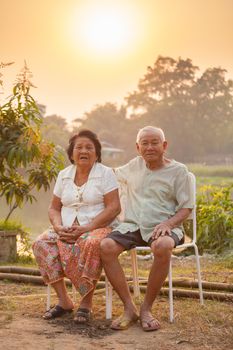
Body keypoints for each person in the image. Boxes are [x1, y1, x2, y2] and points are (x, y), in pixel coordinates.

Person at [100, 126, 194, 331]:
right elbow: (107, 175)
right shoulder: (132, 166)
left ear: (164, 145)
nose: (149, 147)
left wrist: (168, 223)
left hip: (164, 226)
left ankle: (146, 309)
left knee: (162, 246)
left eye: (154, 142)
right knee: (106, 246)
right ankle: (129, 308)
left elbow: (186, 207)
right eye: (145, 143)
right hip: (133, 225)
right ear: (137, 147)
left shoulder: (179, 171)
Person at [33, 130, 121, 323]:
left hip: (98, 227)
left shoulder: (106, 173)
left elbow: (114, 207)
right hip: (65, 227)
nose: (84, 151)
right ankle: (64, 301)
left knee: (90, 243)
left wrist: (87, 227)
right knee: (41, 243)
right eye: (79, 147)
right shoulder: (64, 175)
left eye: (89, 147)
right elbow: (54, 208)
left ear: (97, 154)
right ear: (71, 153)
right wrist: (57, 227)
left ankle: (85, 302)